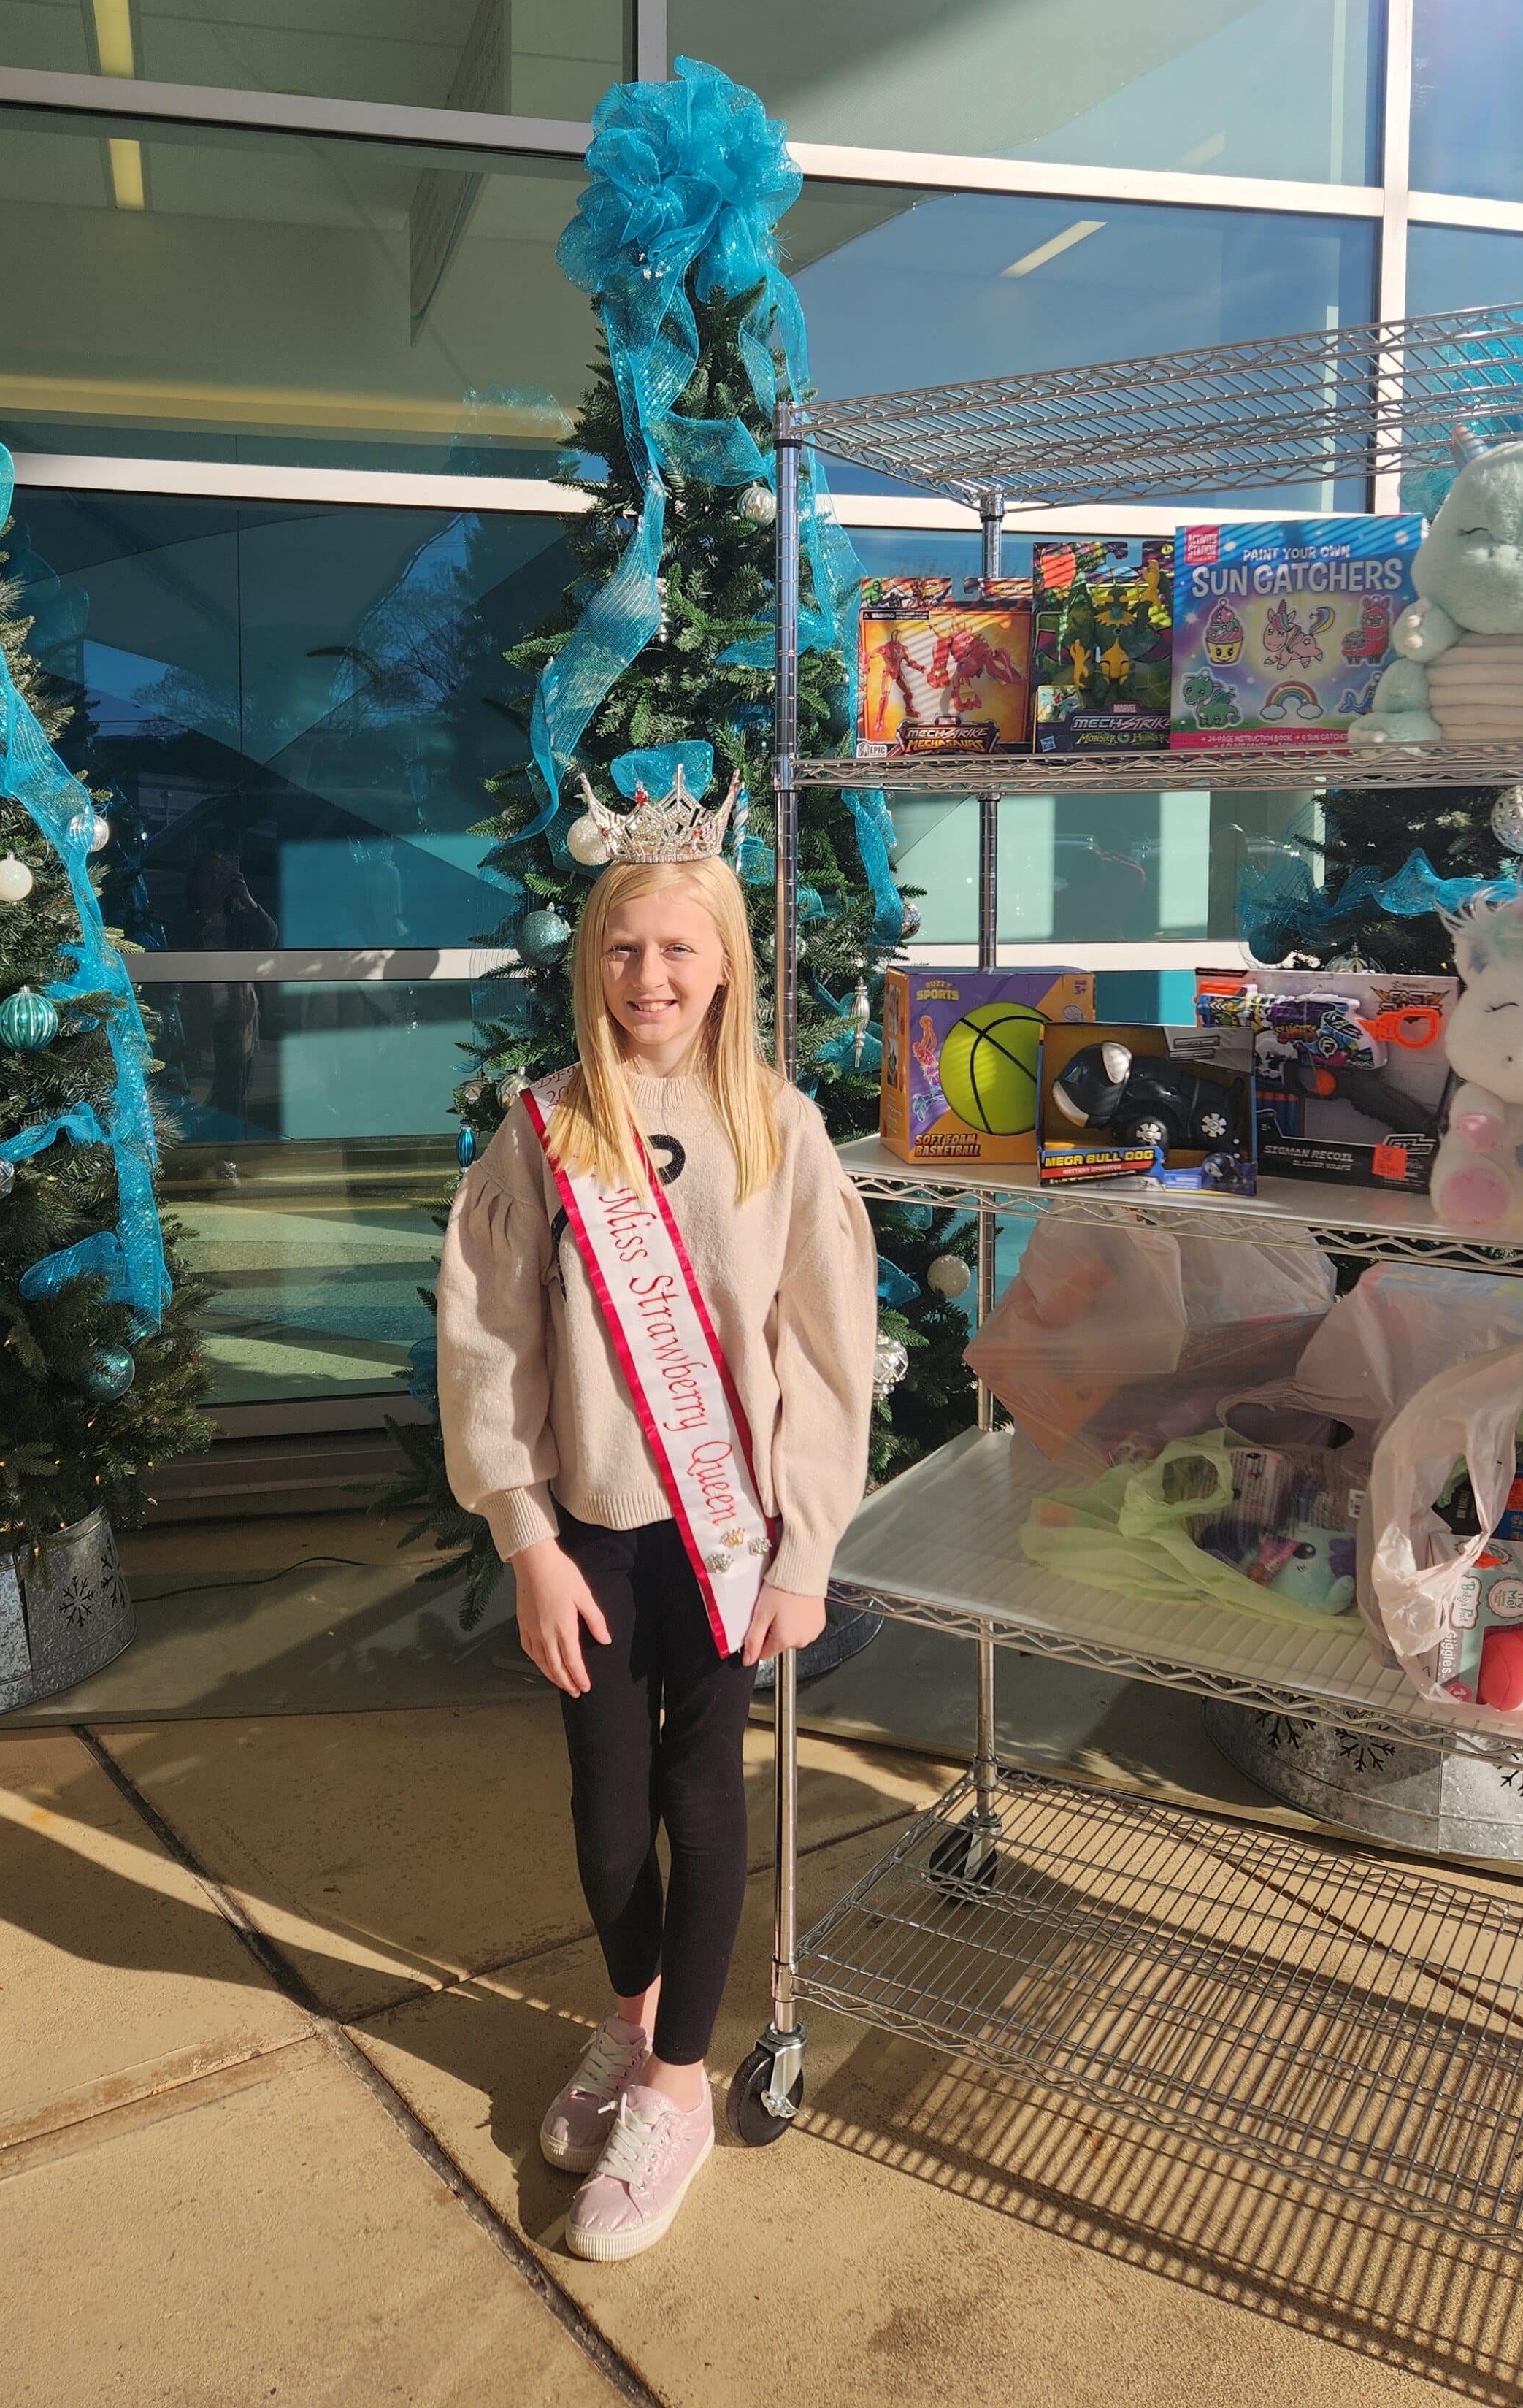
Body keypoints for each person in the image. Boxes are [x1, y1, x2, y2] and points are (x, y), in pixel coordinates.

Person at [437, 848, 876, 2261]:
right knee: (606, 1794)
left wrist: (805, 1553)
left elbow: (822, 1349)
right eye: (624, 951)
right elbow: (490, 1339)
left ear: (729, 964)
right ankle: (627, 2028)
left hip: (728, 1542)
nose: (652, 980)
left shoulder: (778, 1127)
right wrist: (525, 1538)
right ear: (592, 962)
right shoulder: (551, 1127)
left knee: (701, 1792)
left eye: (680, 951)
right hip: (595, 1535)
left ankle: (679, 2086)